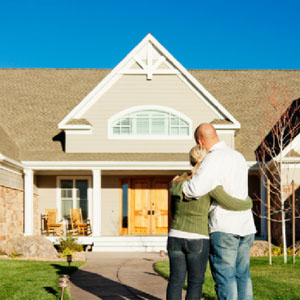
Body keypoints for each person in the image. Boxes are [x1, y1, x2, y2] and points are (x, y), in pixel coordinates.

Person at [167, 144, 253, 300]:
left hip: (175, 236)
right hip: (198, 238)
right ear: (207, 161)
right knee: (195, 282)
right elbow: (232, 203)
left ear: (190, 160)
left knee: (175, 280)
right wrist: (249, 202)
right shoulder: (208, 183)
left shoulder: (176, 182)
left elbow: (172, 211)